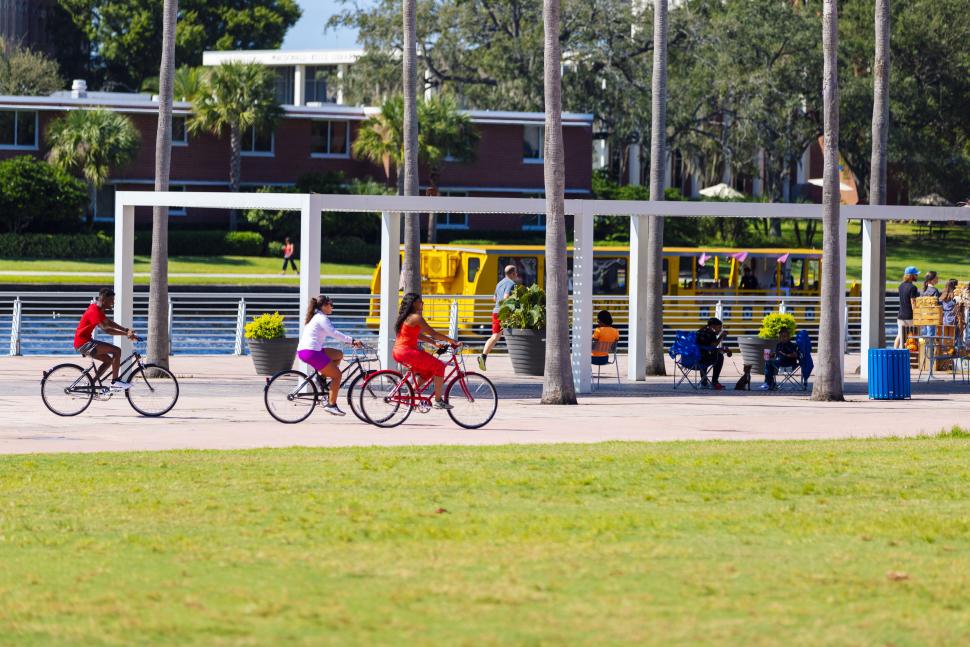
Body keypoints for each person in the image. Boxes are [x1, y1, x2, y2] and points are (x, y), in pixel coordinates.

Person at [297, 295, 362, 416]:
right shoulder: (321, 318)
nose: (332, 307)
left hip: (308, 350)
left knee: (338, 354)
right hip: (311, 352)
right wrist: (352, 340)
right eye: (331, 304)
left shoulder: (317, 317)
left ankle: (321, 378)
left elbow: (332, 334)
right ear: (324, 306)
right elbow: (334, 333)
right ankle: (331, 405)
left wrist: (348, 341)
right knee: (337, 375)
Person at [394, 293, 461, 410]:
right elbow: (433, 333)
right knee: (440, 366)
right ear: (414, 303)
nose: (423, 303)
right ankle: (438, 400)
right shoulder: (416, 317)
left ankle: (410, 394)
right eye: (421, 301)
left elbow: (417, 335)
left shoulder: (405, 317)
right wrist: (452, 341)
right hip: (408, 352)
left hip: (398, 351)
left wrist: (434, 343)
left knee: (428, 372)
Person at [74, 288, 139, 390]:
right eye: (111, 300)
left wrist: (126, 330)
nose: (113, 303)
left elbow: (108, 322)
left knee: (108, 361)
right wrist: (126, 334)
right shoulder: (94, 311)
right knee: (117, 351)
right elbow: (107, 329)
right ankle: (115, 382)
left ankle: (91, 384)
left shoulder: (98, 309)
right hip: (84, 344)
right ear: (104, 299)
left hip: (85, 342)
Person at [478, 264, 518, 371]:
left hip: (495, 311)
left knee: (495, 336)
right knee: (517, 333)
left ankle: (483, 356)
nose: (517, 275)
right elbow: (506, 298)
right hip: (504, 313)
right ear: (513, 273)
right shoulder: (512, 284)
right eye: (516, 273)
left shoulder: (499, 283)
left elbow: (494, 298)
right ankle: (519, 360)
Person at [695, 317, 732, 390]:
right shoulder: (710, 333)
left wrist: (719, 349)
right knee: (719, 357)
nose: (720, 330)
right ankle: (715, 382)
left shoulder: (700, 331)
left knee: (707, 354)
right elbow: (713, 346)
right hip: (702, 359)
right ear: (713, 326)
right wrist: (721, 337)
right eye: (719, 327)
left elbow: (706, 347)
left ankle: (704, 382)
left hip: (693, 360)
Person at [894, 266, 920, 349]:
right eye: (916, 274)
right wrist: (917, 314)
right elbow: (913, 302)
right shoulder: (913, 288)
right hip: (910, 316)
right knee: (913, 336)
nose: (917, 276)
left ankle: (895, 351)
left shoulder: (900, 286)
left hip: (900, 316)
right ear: (911, 276)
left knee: (900, 335)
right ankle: (907, 355)